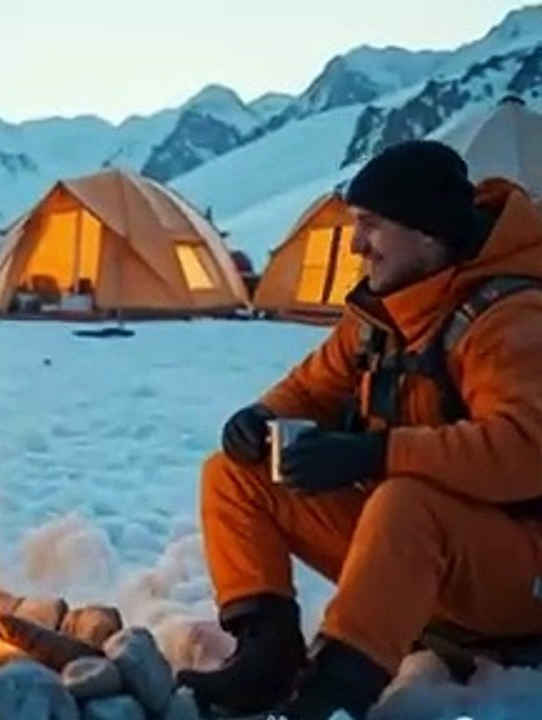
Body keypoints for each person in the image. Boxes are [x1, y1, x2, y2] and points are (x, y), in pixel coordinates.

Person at [179, 141, 542, 720]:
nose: (355, 244)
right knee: (234, 473)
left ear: (427, 232)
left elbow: (525, 451)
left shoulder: (513, 319)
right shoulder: (389, 309)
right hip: (414, 564)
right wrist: (260, 418)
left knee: (405, 502)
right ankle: (265, 656)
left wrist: (374, 454)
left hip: (518, 580)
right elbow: (312, 387)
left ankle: (332, 696)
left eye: (371, 226)